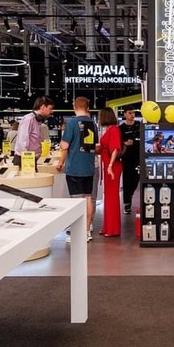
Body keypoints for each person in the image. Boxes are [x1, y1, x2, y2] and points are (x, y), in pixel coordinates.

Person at [56, 96, 97, 241]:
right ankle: (86, 230)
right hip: (89, 166)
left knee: (76, 200)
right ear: (87, 108)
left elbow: (64, 146)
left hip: (75, 167)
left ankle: (78, 234)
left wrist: (61, 162)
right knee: (88, 197)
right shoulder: (92, 124)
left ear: (74, 107)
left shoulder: (72, 123)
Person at [97, 107, 122, 236]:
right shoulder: (111, 129)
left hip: (112, 167)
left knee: (112, 197)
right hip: (109, 166)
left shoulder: (113, 130)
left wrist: (110, 165)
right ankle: (108, 227)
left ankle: (112, 229)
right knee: (108, 196)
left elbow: (115, 148)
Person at [118, 109, 140, 214]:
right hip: (126, 158)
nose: (132, 115)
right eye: (130, 113)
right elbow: (118, 142)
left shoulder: (139, 125)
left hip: (138, 157)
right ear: (125, 114)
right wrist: (125, 143)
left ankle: (132, 196)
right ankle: (127, 204)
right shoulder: (121, 128)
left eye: (133, 113)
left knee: (136, 179)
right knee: (127, 181)